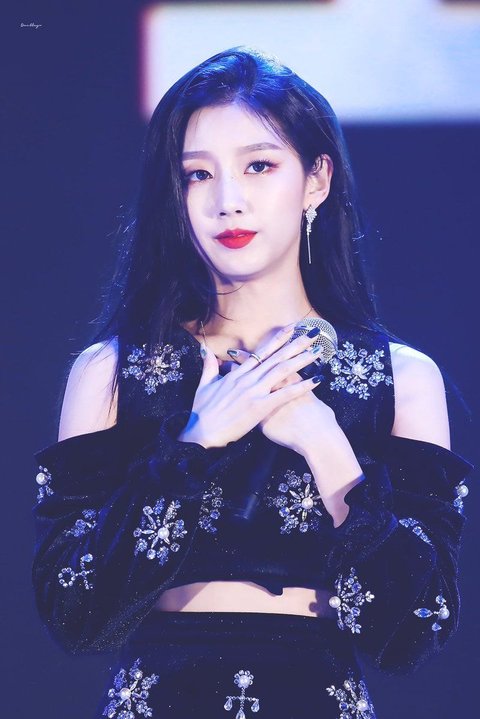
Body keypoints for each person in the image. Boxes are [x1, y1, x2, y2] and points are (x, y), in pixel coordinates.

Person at [32, 47, 473, 718]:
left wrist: (327, 447)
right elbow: (74, 614)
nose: (227, 202)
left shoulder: (402, 380)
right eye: (197, 174)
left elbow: (414, 630)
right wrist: (194, 444)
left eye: (259, 166)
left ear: (316, 180)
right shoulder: (112, 373)